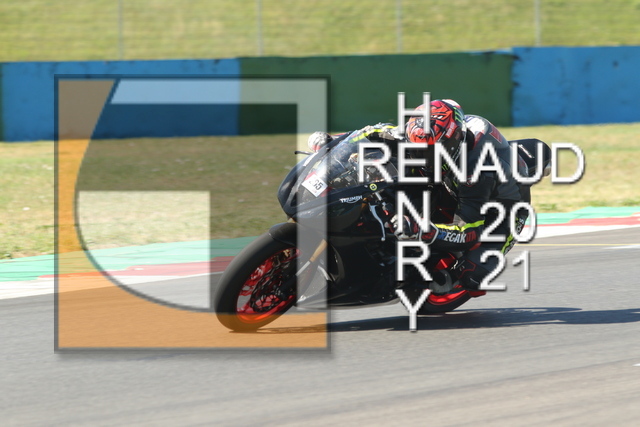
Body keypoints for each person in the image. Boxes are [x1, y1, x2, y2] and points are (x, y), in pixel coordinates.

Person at [397, 99, 534, 291]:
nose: (422, 158)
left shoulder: (476, 171)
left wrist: (425, 231)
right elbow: (382, 132)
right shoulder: (433, 130)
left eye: (430, 151)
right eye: (417, 150)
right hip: (458, 181)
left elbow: (469, 232)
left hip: (503, 210)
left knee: (473, 276)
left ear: (452, 141)